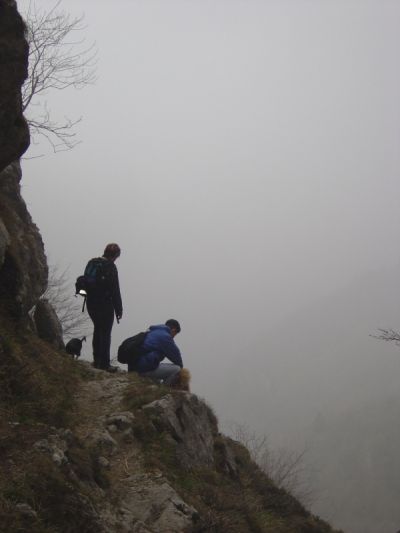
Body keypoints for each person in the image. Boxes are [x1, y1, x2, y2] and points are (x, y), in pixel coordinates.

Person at [86, 243, 122, 371]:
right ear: (116, 256)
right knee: (106, 333)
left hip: (90, 303)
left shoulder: (92, 262)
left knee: (97, 329)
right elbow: (115, 289)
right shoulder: (110, 267)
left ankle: (97, 361)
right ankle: (105, 364)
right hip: (105, 304)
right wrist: (119, 309)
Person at [129, 319, 183, 385]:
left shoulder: (152, 332)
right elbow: (176, 357)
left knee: (157, 379)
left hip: (134, 367)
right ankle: (165, 391)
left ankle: (155, 386)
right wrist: (182, 370)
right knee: (177, 369)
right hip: (143, 369)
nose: (173, 337)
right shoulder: (165, 337)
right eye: (175, 334)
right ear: (173, 330)